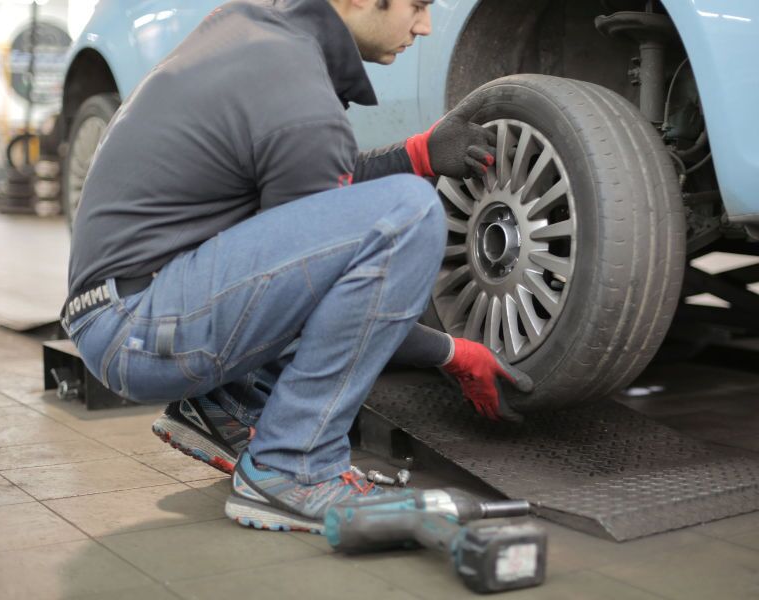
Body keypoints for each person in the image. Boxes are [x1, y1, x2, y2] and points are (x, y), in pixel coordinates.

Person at [62, 0, 531, 533]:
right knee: (408, 214)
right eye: (417, 6)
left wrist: (416, 154)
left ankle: (228, 408)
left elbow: (301, 195)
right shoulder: (299, 92)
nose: (423, 26)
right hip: (142, 330)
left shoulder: (263, 38)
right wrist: (451, 352)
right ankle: (295, 467)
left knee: (376, 210)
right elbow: (321, 279)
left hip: (120, 310)